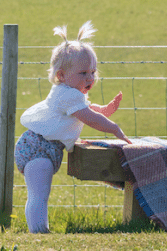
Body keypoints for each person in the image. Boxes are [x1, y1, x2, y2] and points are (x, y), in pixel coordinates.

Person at [15, 21, 130, 233]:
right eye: (83, 73)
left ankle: (40, 231)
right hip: (37, 148)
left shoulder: (72, 94)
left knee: (40, 193)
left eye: (93, 72)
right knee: (39, 194)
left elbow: (88, 109)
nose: (90, 78)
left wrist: (105, 110)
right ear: (61, 75)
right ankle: (39, 232)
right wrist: (113, 127)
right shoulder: (67, 94)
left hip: (46, 147)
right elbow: (89, 117)